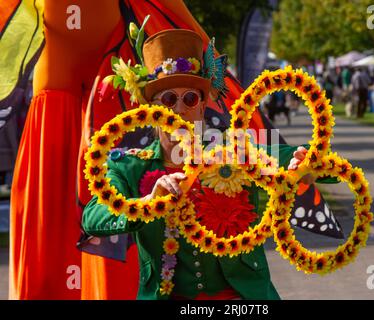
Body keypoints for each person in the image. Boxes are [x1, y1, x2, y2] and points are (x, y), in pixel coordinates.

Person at [82, 29, 313, 300]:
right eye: (169, 99)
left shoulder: (233, 154)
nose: (180, 109)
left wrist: (305, 161)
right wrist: (147, 202)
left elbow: (288, 156)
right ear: (151, 110)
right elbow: (92, 217)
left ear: (202, 107)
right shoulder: (128, 165)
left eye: (190, 98)